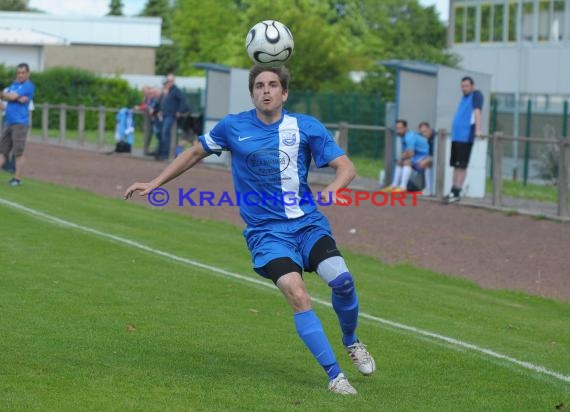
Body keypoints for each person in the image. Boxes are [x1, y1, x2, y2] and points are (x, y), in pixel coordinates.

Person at [124, 65, 376, 395]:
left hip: (308, 224)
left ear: (284, 93)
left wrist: (334, 187)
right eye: (259, 85)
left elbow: (347, 167)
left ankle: (350, 340)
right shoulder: (233, 126)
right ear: (252, 93)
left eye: (273, 85)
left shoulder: (306, 127)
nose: (266, 90)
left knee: (342, 282)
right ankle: (335, 376)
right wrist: (154, 182)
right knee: (297, 293)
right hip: (267, 234)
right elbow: (194, 152)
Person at [445, 76, 484, 203]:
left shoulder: (476, 95)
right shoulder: (463, 98)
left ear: (472, 86)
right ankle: (453, 191)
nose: (464, 88)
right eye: (462, 86)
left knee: (462, 165)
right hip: (456, 136)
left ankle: (457, 191)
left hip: (465, 136)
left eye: (466, 86)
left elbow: (477, 111)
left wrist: (478, 129)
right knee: (455, 165)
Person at [0, 63, 35, 186]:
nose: (20, 75)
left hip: (20, 123)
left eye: (23, 72)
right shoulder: (14, 84)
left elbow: (10, 95)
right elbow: (5, 96)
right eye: (18, 73)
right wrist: (14, 98)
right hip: (8, 122)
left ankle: (17, 179)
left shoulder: (28, 86)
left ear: (28, 73)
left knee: (18, 152)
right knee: (2, 151)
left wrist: (12, 97)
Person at [381, 119, 431, 192]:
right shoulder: (404, 136)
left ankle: (403, 187)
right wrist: (402, 158)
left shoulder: (409, 136)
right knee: (400, 162)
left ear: (405, 128)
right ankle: (394, 185)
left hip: (423, 155)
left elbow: (411, 153)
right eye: (397, 128)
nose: (398, 131)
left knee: (406, 162)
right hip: (417, 155)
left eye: (400, 128)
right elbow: (407, 151)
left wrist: (402, 157)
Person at [156, 73, 191, 160]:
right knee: (160, 133)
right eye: (168, 80)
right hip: (164, 115)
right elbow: (162, 102)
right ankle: (160, 153)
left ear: (173, 81)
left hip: (170, 115)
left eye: (171, 81)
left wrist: (179, 111)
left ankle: (165, 154)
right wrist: (160, 110)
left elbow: (183, 100)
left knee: (165, 133)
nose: (169, 82)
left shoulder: (176, 90)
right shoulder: (166, 91)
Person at [418, 121, 436, 196]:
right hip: (431, 158)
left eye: (425, 131)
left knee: (427, 163)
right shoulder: (424, 138)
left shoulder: (436, 136)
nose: (424, 134)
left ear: (429, 129)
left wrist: (426, 160)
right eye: (422, 132)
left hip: (440, 158)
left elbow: (435, 154)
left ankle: (429, 188)